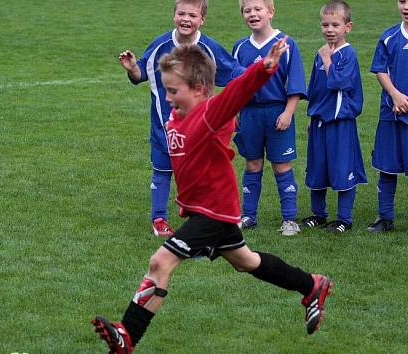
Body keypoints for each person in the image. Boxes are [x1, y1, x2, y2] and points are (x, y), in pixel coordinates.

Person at [92, 40, 332, 354]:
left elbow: (237, 92)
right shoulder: (177, 116)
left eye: (174, 91)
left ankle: (127, 336)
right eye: (165, 90)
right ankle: (311, 285)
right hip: (203, 209)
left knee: (160, 261)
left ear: (200, 89)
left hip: (213, 210)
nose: (167, 97)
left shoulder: (209, 113)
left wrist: (264, 67)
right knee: (247, 261)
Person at [119, 0, 243, 237]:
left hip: (200, 128)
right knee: (162, 170)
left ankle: (211, 217)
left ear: (202, 20)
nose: (186, 19)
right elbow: (140, 73)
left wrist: (234, 106)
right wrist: (132, 67)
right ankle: (159, 219)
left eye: (192, 15)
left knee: (204, 173)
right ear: (174, 15)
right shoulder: (161, 44)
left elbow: (236, 75)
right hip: (164, 125)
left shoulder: (210, 48)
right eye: (181, 14)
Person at [231, 0, 307, 236]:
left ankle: (289, 219)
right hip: (250, 114)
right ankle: (249, 216)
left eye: (258, 9)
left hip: (278, 112)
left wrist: (288, 112)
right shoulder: (240, 47)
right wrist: (234, 112)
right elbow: (236, 85)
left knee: (281, 165)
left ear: (271, 12)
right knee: (252, 163)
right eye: (247, 10)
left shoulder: (286, 44)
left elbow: (295, 83)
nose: (252, 14)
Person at [300, 0, 367, 234]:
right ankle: (319, 214)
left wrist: (328, 60)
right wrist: (311, 118)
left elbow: (339, 82)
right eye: (325, 24)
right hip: (320, 122)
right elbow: (316, 89)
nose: (329, 29)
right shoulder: (321, 54)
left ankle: (344, 219)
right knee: (317, 168)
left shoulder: (348, 54)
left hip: (341, 122)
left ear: (347, 27)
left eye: (335, 25)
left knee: (342, 167)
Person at [367, 0, 408, 236]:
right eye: (402, 1)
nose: (406, 6)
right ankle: (385, 218)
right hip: (390, 112)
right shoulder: (389, 35)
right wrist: (395, 95)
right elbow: (380, 70)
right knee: (386, 167)